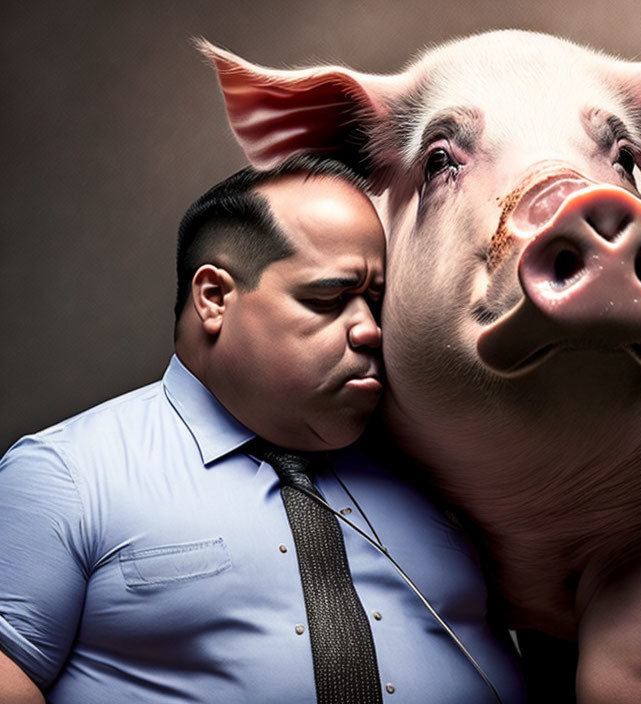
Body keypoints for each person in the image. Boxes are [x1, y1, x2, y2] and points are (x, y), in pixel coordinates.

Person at [0, 155, 526, 703]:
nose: (370, 330)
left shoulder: (441, 465)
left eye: (374, 301)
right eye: (326, 299)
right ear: (215, 299)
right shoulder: (64, 476)